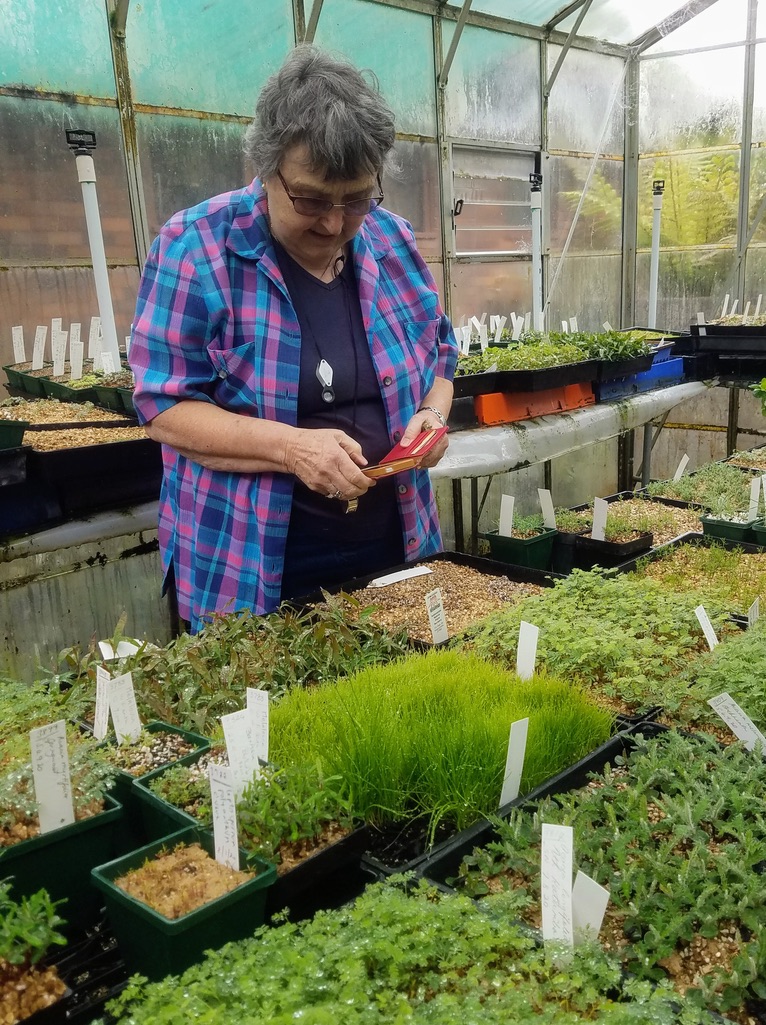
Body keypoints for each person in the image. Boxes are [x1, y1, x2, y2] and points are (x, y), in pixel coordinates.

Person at [129, 45, 458, 632]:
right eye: (310, 199)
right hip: (250, 566)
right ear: (265, 166)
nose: (334, 223)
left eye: (356, 199)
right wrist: (291, 448)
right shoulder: (196, 247)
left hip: (395, 548)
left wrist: (431, 416)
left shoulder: (393, 242)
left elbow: (441, 354)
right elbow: (165, 407)